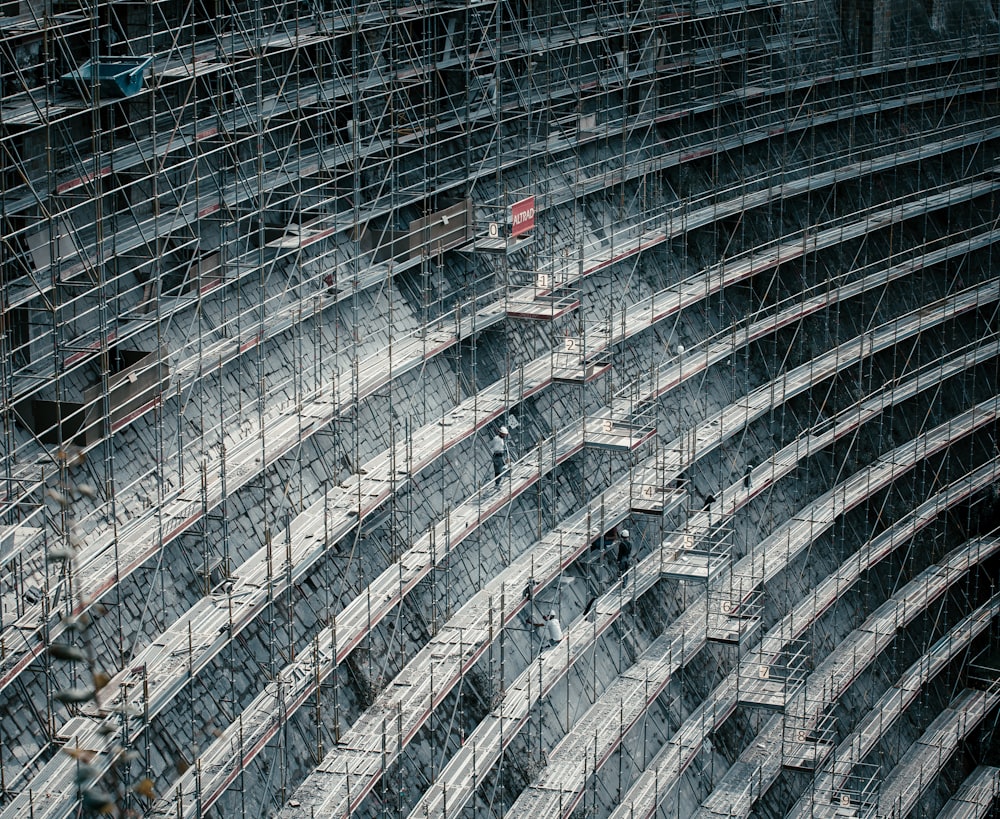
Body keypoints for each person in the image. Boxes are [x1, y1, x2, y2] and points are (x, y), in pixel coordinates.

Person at [491, 425, 510, 489]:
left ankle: (498, 482)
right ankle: (497, 484)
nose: (505, 436)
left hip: (499, 456)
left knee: (501, 468)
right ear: (501, 433)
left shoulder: (499, 439)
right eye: (504, 434)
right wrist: (502, 450)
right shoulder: (497, 439)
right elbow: (496, 449)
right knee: (498, 470)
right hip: (497, 456)